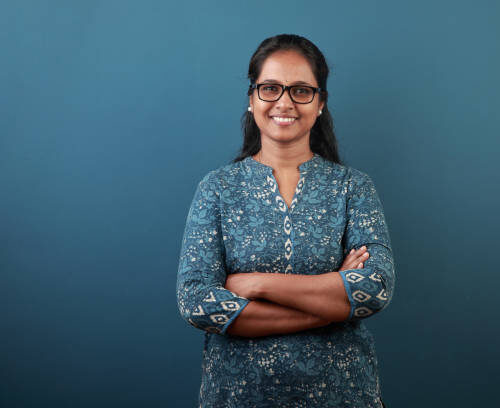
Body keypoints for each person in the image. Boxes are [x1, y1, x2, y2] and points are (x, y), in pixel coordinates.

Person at [176, 33, 395, 408]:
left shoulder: (352, 187)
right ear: (252, 98)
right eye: (271, 88)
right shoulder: (217, 188)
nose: (284, 102)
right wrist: (330, 304)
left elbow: (374, 287)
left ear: (320, 103)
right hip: (237, 397)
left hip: (343, 396)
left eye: (301, 91)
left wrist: (257, 284)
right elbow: (197, 302)